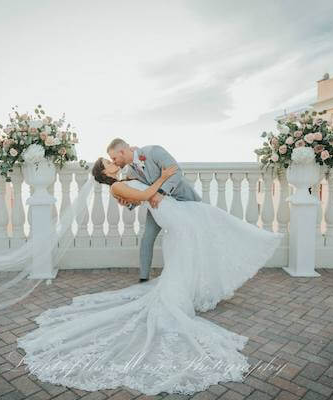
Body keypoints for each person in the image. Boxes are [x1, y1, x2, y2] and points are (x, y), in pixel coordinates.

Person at [16, 157, 285, 395]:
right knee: (190, 241)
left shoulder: (124, 179)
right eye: (108, 162)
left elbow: (143, 191)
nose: (112, 162)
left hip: (173, 209)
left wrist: (155, 184)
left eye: (111, 159)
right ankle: (181, 295)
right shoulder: (115, 187)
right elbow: (145, 196)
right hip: (169, 214)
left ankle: (198, 285)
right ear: (104, 172)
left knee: (207, 224)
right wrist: (163, 178)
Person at [106, 138, 201, 282]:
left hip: (183, 199)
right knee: (147, 239)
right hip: (159, 207)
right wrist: (127, 203)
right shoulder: (130, 172)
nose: (114, 162)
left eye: (114, 158)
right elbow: (141, 195)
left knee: (193, 236)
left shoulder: (153, 151)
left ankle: (195, 273)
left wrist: (161, 192)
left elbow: (176, 172)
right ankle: (143, 278)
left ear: (122, 151)